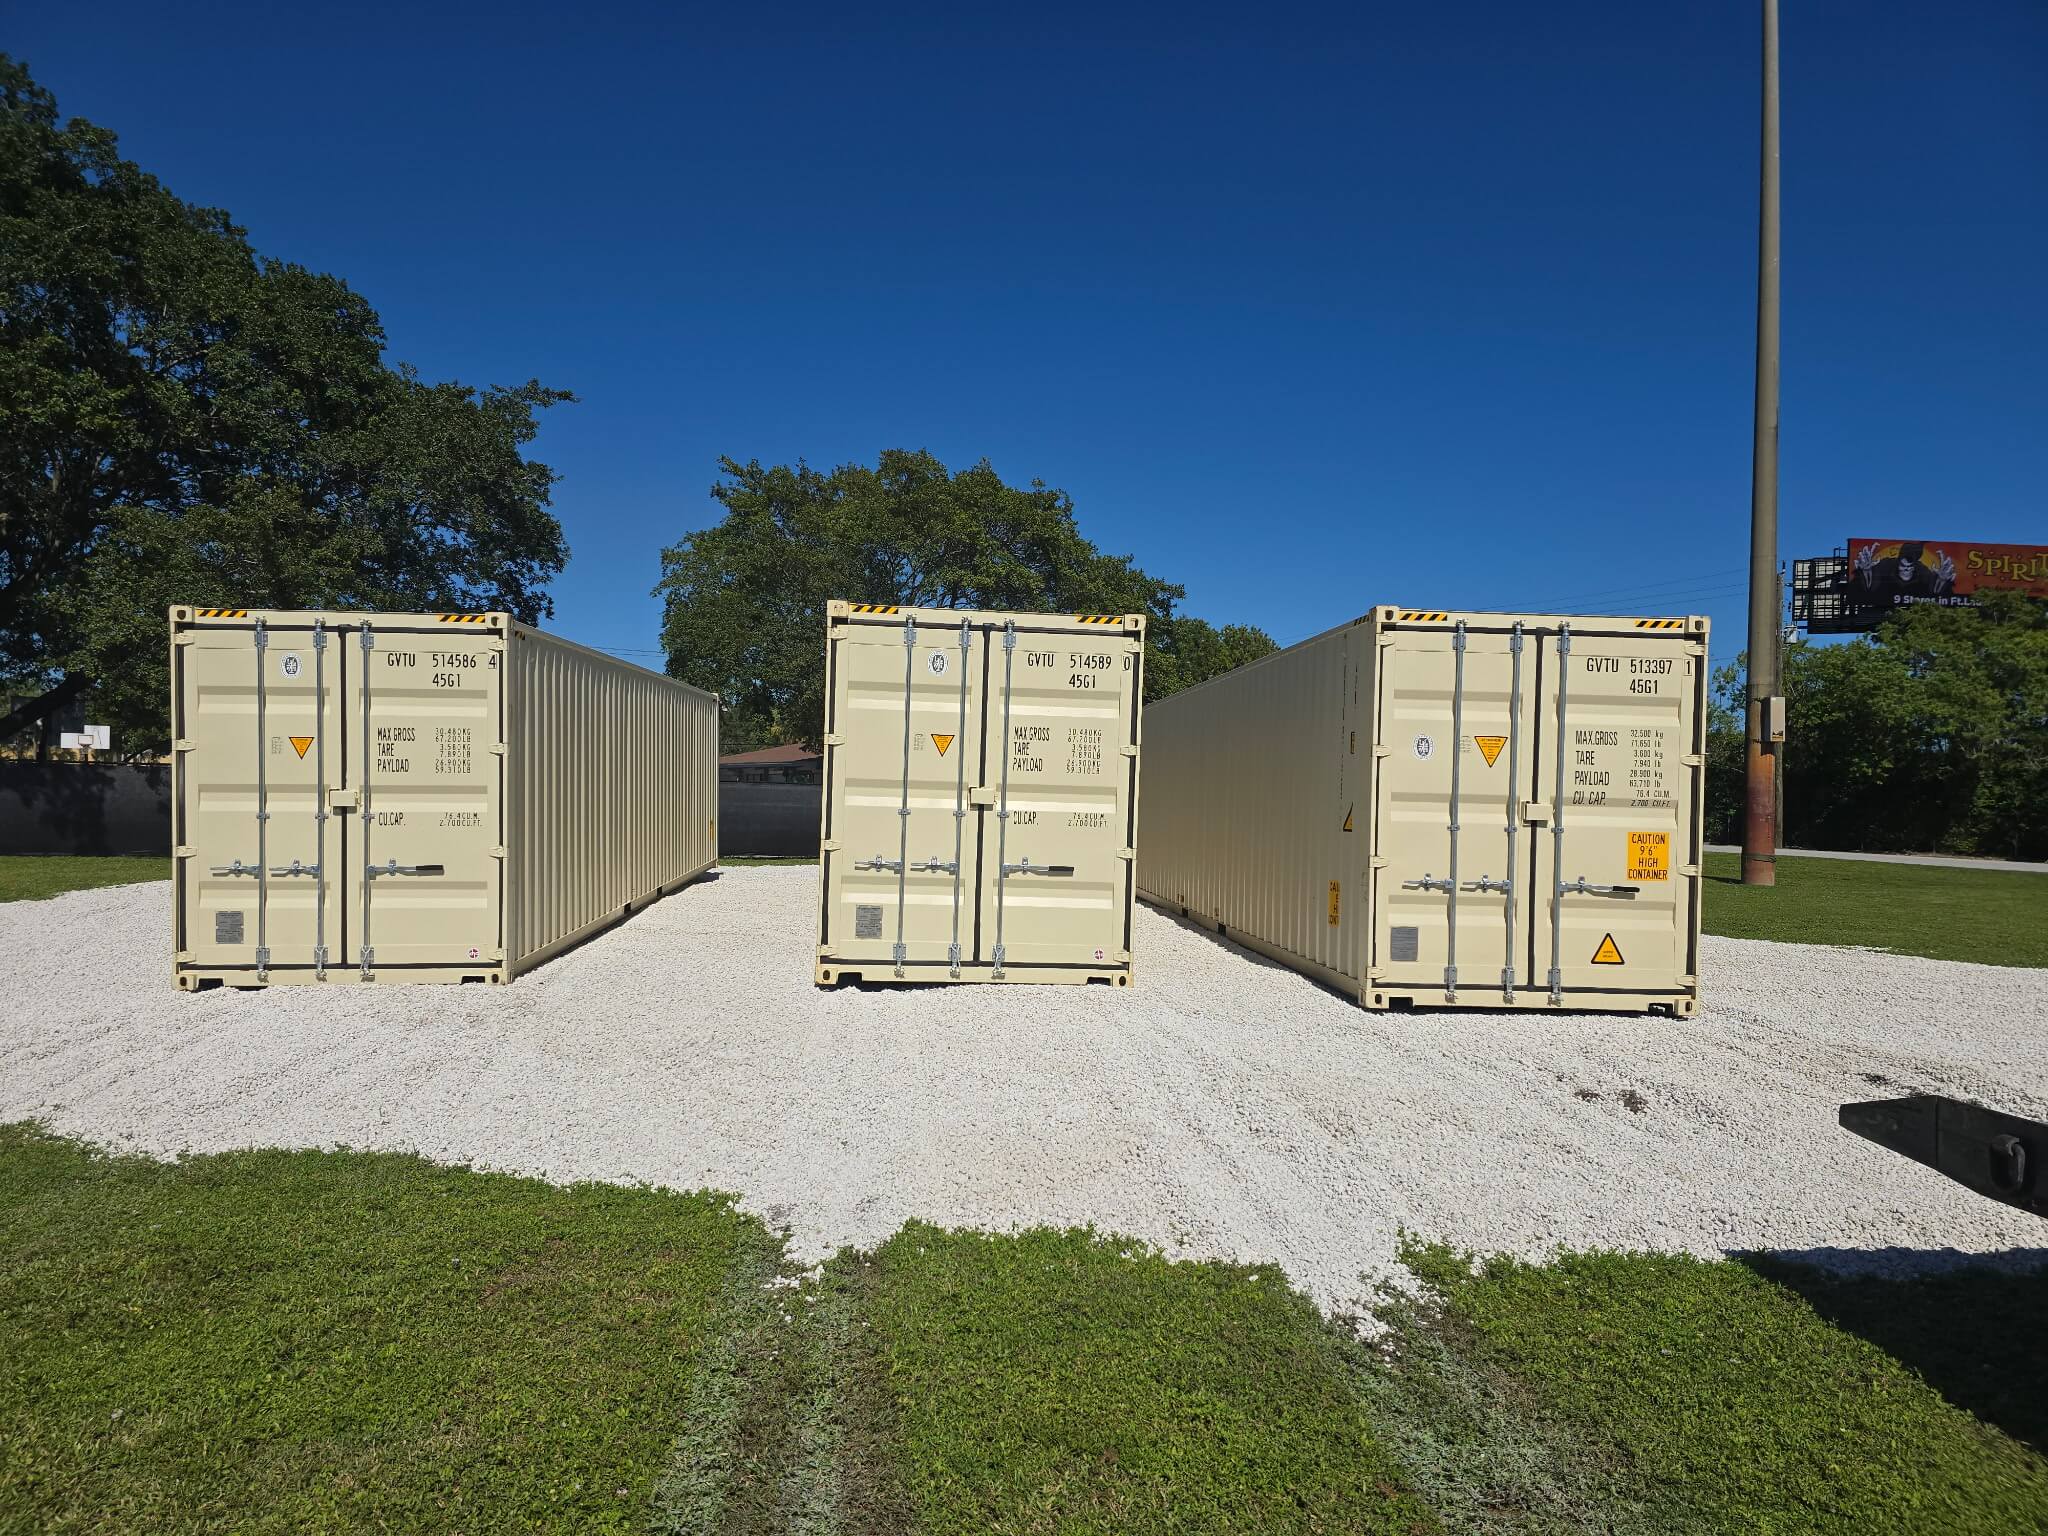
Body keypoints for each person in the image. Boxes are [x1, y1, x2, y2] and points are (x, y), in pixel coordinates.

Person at [1852, 541, 1956, 611]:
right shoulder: (1884, 566)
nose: (1906, 569)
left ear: (1915, 565)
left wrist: (1941, 581)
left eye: (1910, 566)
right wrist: (1866, 572)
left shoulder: (1924, 572)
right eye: (1903, 565)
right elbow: (1860, 590)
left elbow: (1942, 598)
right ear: (1898, 562)